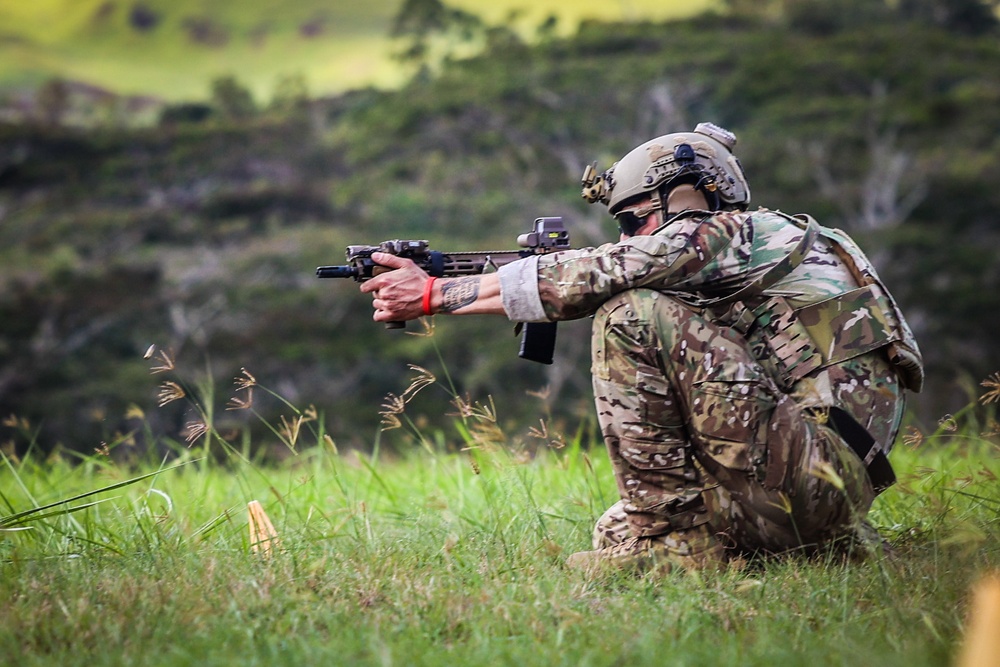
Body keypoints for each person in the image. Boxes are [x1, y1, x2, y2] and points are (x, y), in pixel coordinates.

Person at [360, 122, 923, 574]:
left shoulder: (736, 232)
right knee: (614, 527)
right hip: (822, 487)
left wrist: (434, 293)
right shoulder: (774, 249)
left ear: (688, 195)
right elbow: (613, 269)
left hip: (812, 478)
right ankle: (814, 549)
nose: (629, 235)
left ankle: (673, 547)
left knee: (629, 314)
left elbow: (607, 272)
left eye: (634, 218)